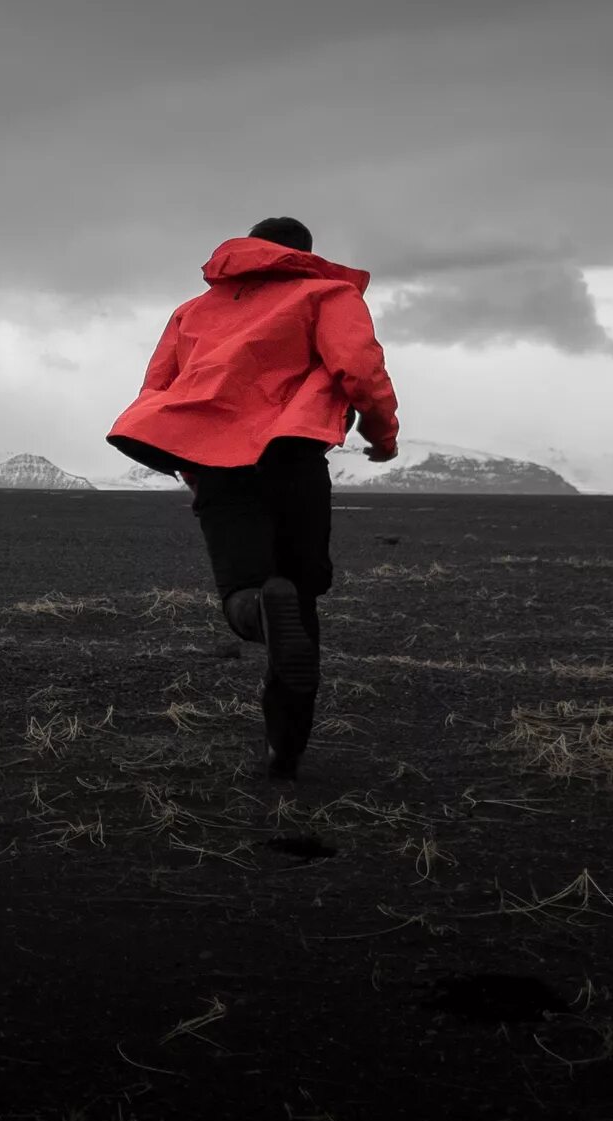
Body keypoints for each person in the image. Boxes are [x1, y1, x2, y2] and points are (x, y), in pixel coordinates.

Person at [108, 217, 400, 782]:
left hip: (218, 464)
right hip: (294, 455)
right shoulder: (327, 294)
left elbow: (161, 388)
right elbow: (360, 367)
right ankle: (285, 746)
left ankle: (262, 615)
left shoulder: (193, 311)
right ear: (305, 254)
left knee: (248, 589)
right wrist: (382, 435)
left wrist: (186, 458)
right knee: (299, 593)